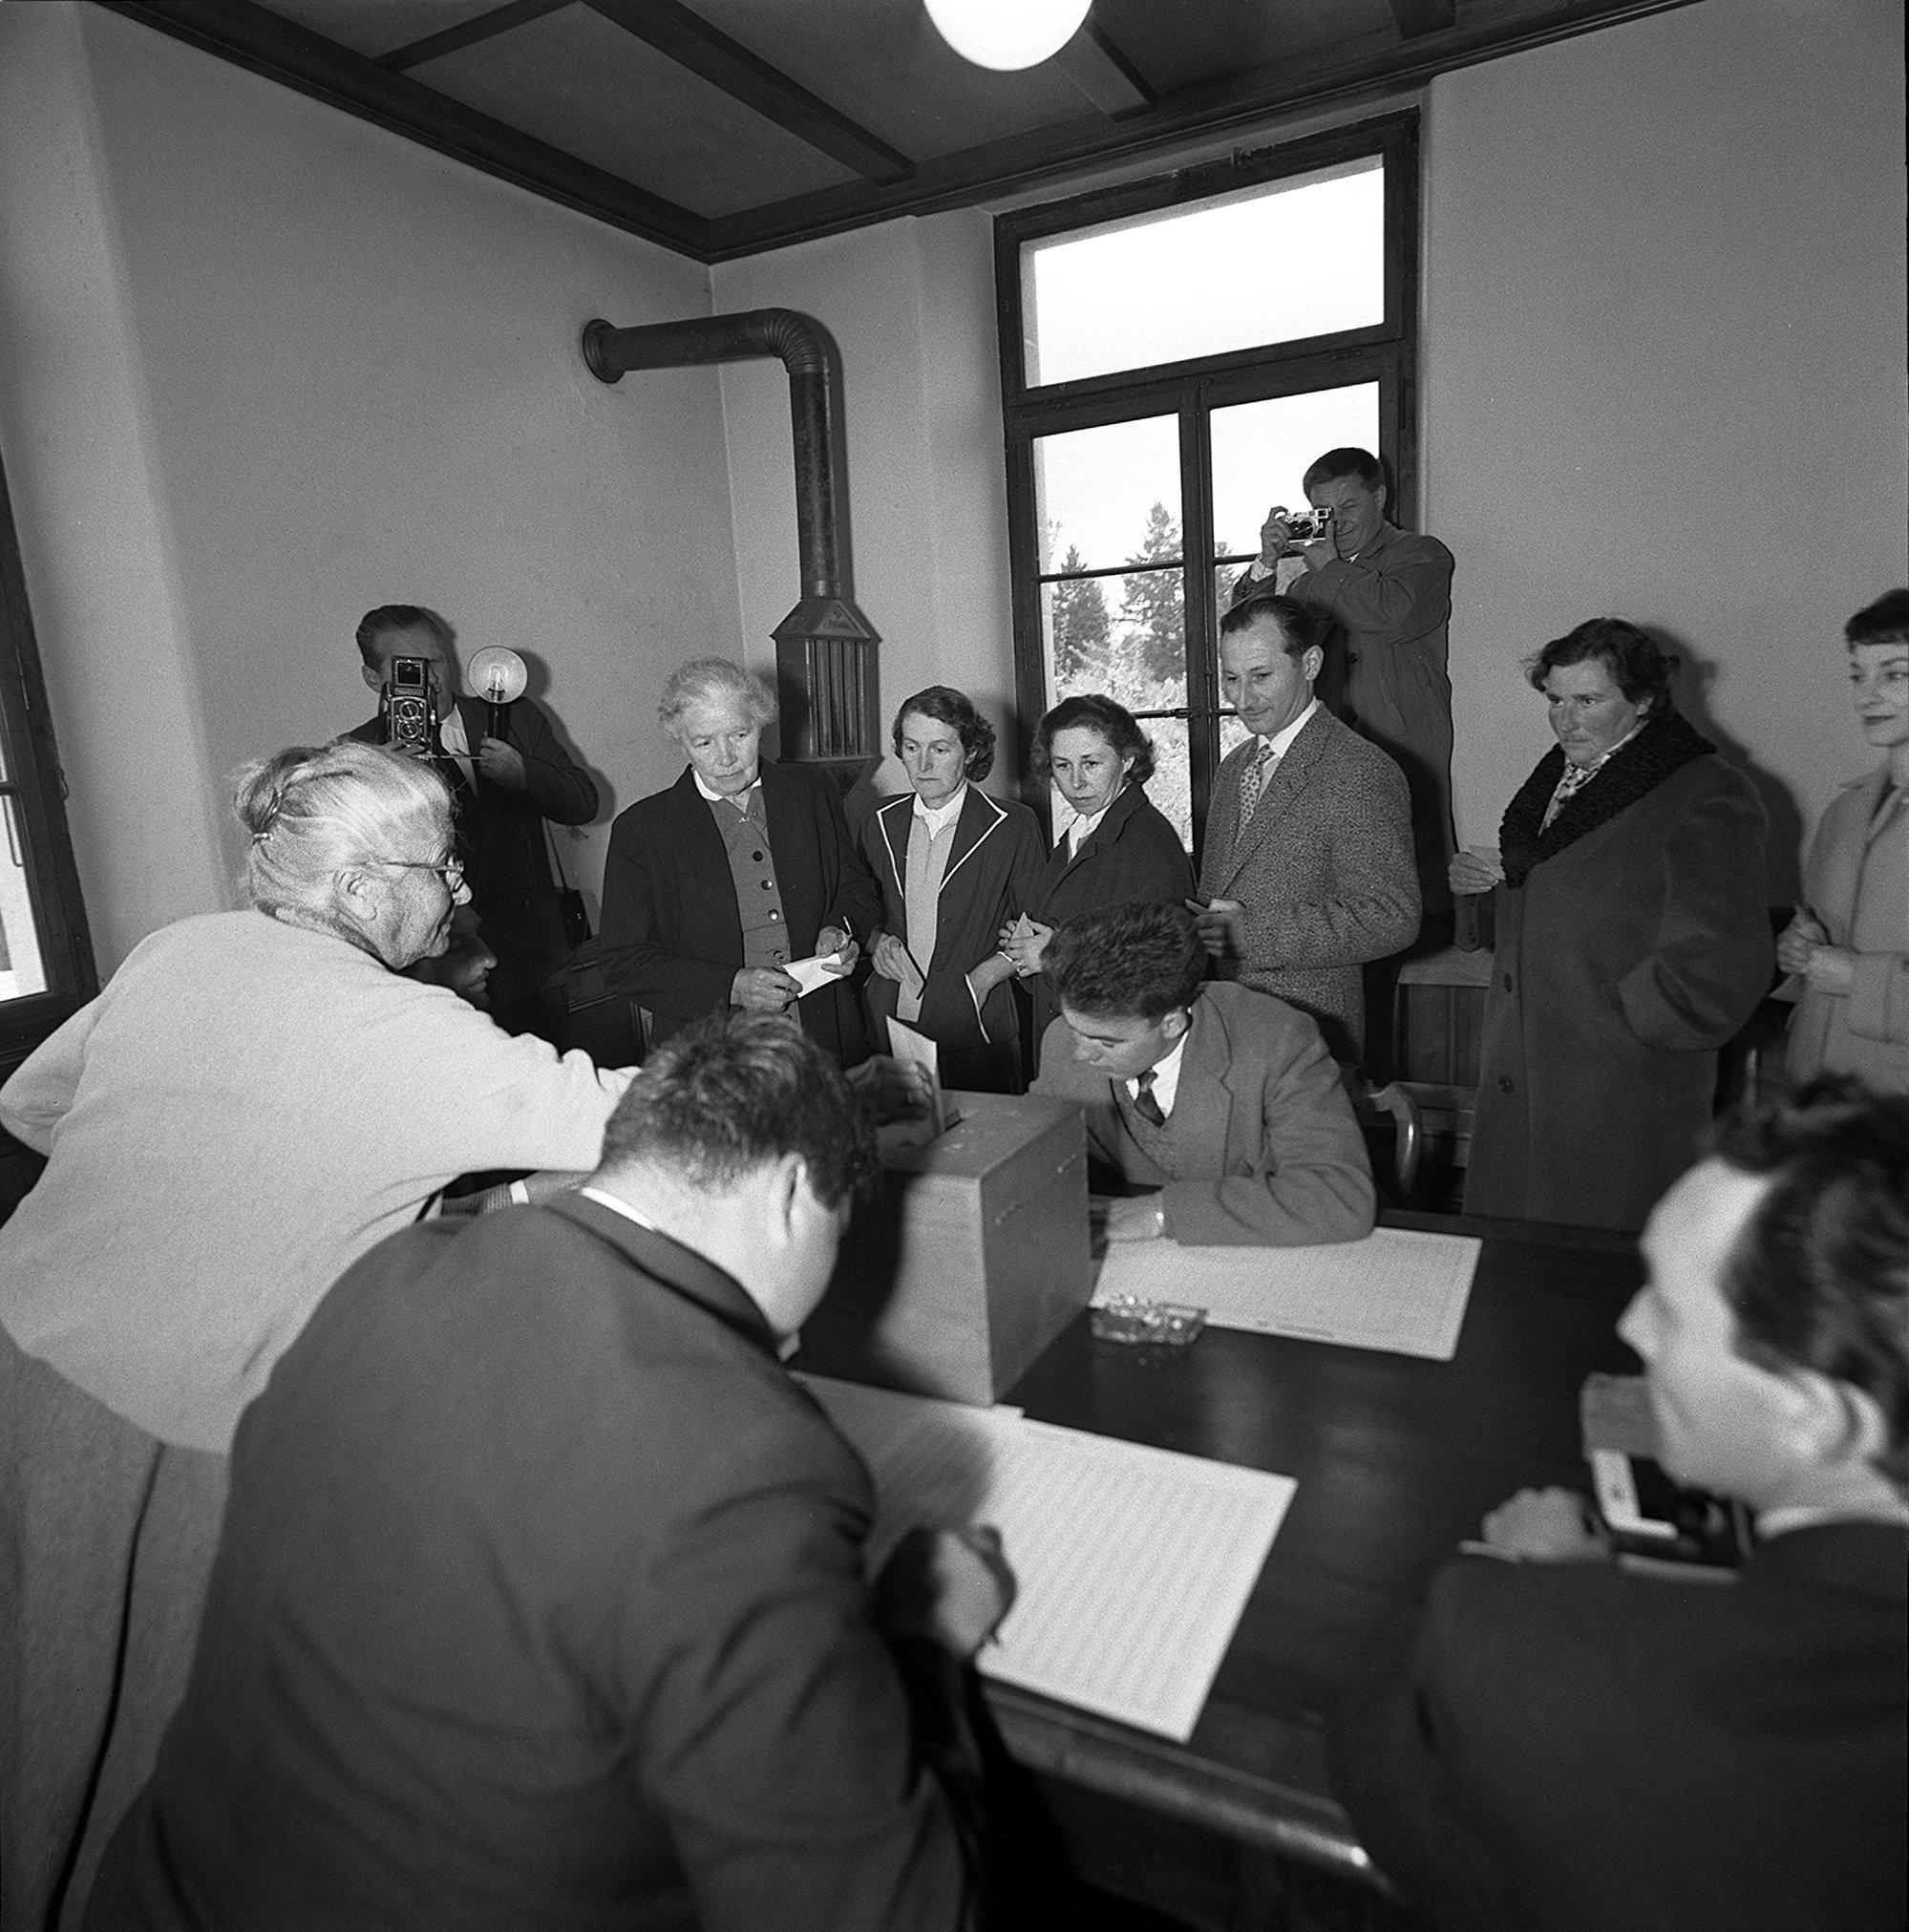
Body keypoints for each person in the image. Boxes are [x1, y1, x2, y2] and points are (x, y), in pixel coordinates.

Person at [85, 1013, 1015, 1932]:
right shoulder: (747, 1467)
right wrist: (926, 1634)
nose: (798, 1332)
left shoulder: (394, 1269)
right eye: (840, 1233)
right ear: (787, 1198)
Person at [0, 742, 634, 1932]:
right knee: (147, 1759)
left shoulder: (179, 948)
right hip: (170, 1442)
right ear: (353, 890)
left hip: (20, 1366)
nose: (455, 888)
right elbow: (630, 1122)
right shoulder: (404, 1028)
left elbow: (28, 1101)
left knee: (26, 1714)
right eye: (438, 865)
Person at [1331, 1081, 1909, 1932]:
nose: (1631, 1326)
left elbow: (1379, 1747)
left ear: (1814, 1415)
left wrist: (1511, 1571)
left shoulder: (1558, 1661)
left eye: (1669, 1313)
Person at [1455, 618, 1773, 1231]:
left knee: (1600, 1296)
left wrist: (1620, 1022)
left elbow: (1723, 965)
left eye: (1588, 700)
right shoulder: (1560, 779)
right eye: (1554, 699)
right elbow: (1572, 905)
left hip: (1619, 1094)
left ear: (1646, 701)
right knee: (1514, 1290)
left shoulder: (1709, 793)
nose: (1565, 719)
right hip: (1524, 1081)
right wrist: (1483, 889)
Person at [1033, 902, 1374, 1245]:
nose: (1080, 1052)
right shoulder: (1061, 1043)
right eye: (1074, 1027)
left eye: (1105, 1042)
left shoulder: (1276, 1039)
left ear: (1171, 1023)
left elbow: (1338, 1195)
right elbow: (1028, 1163)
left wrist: (1163, 1213)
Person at [598, 657, 880, 1062]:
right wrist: (732, 986)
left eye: (740, 734)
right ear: (681, 742)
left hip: (822, 1037)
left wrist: (841, 930)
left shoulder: (810, 791)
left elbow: (856, 890)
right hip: (713, 1051)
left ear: (761, 726)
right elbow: (623, 962)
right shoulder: (643, 830)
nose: (726, 757)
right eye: (705, 742)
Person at [349, 604, 599, 1037]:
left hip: (531, 962)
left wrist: (526, 777)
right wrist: (377, 791)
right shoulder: (358, 753)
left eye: (437, 660)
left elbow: (583, 804)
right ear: (373, 678)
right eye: (407, 667)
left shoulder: (513, 716)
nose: (430, 677)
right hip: (435, 974)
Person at [1237, 447, 1455, 937]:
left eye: (1349, 507)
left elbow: (1395, 613)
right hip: (1326, 752)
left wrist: (1327, 564)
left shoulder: (1421, 553)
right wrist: (1266, 565)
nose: (1336, 522)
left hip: (1401, 747)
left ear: (1380, 496)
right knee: (1333, 900)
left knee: (1403, 898)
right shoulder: (1308, 582)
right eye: (1323, 512)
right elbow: (1259, 640)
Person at [1195, 593, 1419, 1065]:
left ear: (1311, 663)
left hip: (1311, 1043)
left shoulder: (1360, 768)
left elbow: (1392, 917)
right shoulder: (1235, 766)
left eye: (1261, 676)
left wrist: (1252, 934)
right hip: (1226, 1033)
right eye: (1231, 679)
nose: (1243, 698)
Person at [863, 686, 1045, 1093]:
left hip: (978, 1030)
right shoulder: (878, 821)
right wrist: (878, 944)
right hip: (891, 1023)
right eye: (911, 748)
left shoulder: (1012, 824)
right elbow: (859, 914)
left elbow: (1038, 927)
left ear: (972, 751)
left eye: (940, 749)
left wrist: (980, 981)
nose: (923, 764)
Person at [999, 694, 1194, 1069]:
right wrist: (1027, 948)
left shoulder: (1148, 841)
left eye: (1091, 763)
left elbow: (1163, 965)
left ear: (1127, 760)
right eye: (1062, 765)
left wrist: (1055, 955)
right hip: (1069, 1038)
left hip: (1113, 1050)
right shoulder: (1082, 830)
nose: (1076, 781)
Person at [1779, 589, 1908, 1092]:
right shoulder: (1846, 810)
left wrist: (1859, 979)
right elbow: (1823, 935)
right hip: (1822, 1087)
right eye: (1858, 675)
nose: (1865, 696)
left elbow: (1851, 971)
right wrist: (1799, 951)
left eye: (1894, 675)